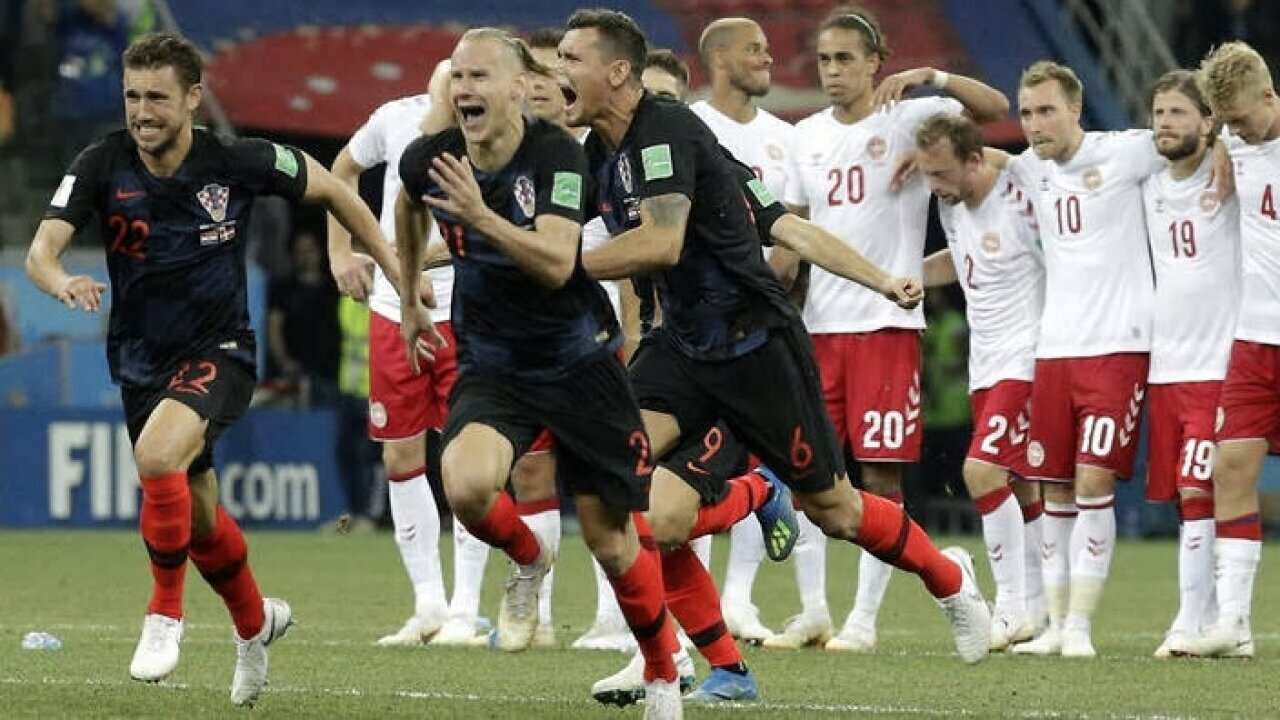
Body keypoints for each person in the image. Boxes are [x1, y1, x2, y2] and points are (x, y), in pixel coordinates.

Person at [559, 11, 991, 687]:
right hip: (682, 347)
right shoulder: (602, 154)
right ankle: (703, 666)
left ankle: (948, 578)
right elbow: (783, 220)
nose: (560, 73)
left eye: (570, 59)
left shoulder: (667, 132)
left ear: (616, 72)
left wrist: (881, 280)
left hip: (755, 345)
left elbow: (679, 241)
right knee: (631, 497)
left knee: (837, 511)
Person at [25, 32, 402, 706]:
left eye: (157, 98)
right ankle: (255, 626)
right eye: (132, 96)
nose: (142, 111)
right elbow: (42, 252)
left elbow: (336, 193)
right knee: (197, 517)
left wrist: (390, 266)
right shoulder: (101, 162)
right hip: (140, 360)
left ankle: (164, 615)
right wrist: (60, 282)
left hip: (221, 350)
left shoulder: (236, 160)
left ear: (193, 98)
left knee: (157, 454)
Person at [394, 29, 685, 719]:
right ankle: (528, 559)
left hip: (578, 360)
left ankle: (664, 674)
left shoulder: (556, 153)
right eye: (457, 77)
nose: (464, 89)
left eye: (479, 76)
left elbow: (558, 263)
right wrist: (408, 296)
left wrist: (477, 217)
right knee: (464, 485)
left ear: (520, 87)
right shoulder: (431, 157)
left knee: (611, 539)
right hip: (495, 364)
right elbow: (408, 206)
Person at [773, 5, 1009, 652]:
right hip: (817, 330)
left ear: (876, 62)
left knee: (880, 476)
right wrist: (769, 291)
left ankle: (864, 621)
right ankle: (814, 610)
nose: (833, 71)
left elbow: (992, 108)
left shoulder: (907, 119)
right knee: (809, 473)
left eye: (846, 58)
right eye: (824, 59)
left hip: (885, 325)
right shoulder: (805, 136)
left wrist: (932, 75)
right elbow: (793, 234)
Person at [1003, 61, 1165, 658]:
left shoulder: (1125, 153)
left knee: (1095, 479)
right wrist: (936, 82)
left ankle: (1080, 627)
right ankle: (1052, 625)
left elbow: (1194, 136)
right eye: (1026, 113)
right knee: (1053, 487)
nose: (1035, 124)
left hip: (1119, 347)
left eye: (1046, 110)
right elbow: (979, 158)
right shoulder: (1026, 167)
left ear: (1076, 108)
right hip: (1055, 353)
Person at [689, 16, 830, 648]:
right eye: (755, 50)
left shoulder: (786, 138)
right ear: (719, 59)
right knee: (689, 464)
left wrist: (756, 290)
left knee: (752, 454)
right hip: (692, 323)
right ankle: (693, 607)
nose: (770, 58)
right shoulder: (691, 127)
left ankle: (736, 601)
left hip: (759, 320)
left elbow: (791, 231)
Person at [917, 113, 1047, 650]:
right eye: (928, 174)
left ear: (976, 160)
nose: (934, 187)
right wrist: (907, 274)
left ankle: (1012, 607)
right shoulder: (952, 204)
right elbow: (962, 261)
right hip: (986, 361)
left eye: (942, 174)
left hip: (1028, 354)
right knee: (1020, 482)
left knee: (981, 472)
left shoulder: (1020, 197)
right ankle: (1040, 608)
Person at [1138, 69, 1241, 658]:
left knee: (1200, 490)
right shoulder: (1148, 187)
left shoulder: (1232, 173)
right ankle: (1220, 618)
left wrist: (1230, 143)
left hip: (1218, 362)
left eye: (1179, 113)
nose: (1167, 124)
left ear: (1208, 121)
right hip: (1166, 365)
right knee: (1184, 499)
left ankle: (1191, 620)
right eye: (1159, 114)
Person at [1190, 40, 1275, 658]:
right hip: (1254, 339)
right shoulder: (1236, 145)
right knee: (1231, 467)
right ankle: (1235, 624)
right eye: (1229, 124)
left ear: (1270, 97)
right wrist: (1223, 140)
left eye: (1243, 120)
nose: (1237, 132)